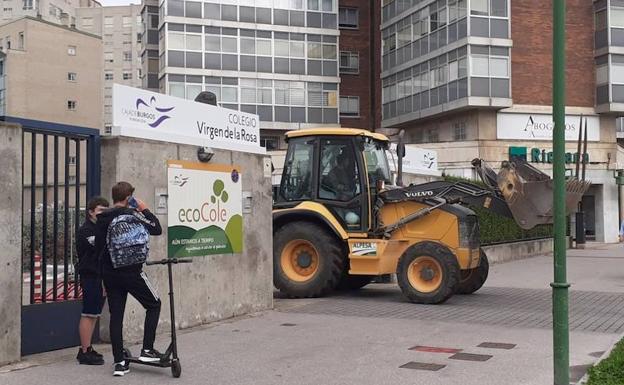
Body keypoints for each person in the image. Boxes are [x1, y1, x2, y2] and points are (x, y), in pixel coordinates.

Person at [95, 182, 163, 377]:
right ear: (128, 198)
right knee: (154, 304)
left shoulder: (103, 218)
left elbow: (99, 249)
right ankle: (147, 350)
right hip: (132, 272)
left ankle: (120, 363)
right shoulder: (134, 214)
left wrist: (102, 279)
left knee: (116, 316)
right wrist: (144, 208)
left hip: (110, 273)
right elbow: (156, 229)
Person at [75, 196, 110, 365]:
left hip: (100, 276)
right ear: (91, 212)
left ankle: (87, 347)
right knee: (88, 313)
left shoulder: (100, 229)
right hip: (90, 275)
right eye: (100, 211)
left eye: (106, 210)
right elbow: (100, 247)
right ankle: (84, 351)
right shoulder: (87, 230)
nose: (103, 214)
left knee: (95, 313)